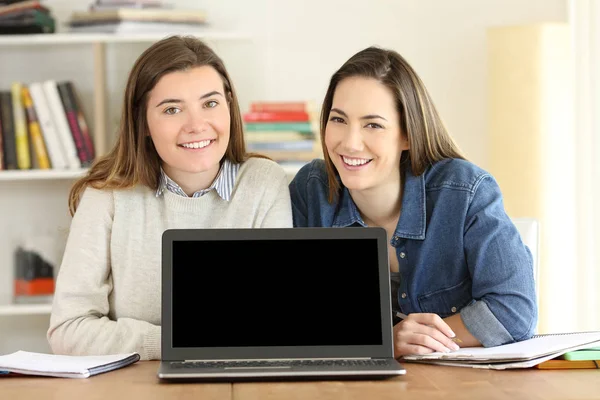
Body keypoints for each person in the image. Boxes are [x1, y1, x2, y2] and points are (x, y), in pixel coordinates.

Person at [47, 35, 293, 360]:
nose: (196, 125)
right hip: (133, 388)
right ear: (143, 122)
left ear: (229, 106)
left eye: (210, 103)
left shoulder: (264, 183)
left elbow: (278, 325)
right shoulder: (107, 195)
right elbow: (68, 330)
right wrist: (172, 343)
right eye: (172, 109)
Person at [289, 46, 537, 358]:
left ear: (407, 135)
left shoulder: (465, 191)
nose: (350, 142)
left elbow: (513, 311)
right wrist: (383, 343)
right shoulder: (310, 190)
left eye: (373, 124)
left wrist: (412, 342)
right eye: (339, 119)